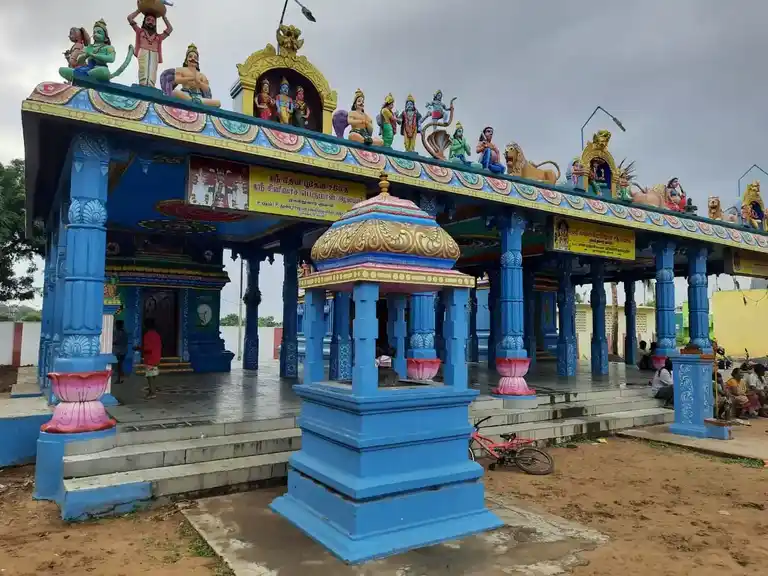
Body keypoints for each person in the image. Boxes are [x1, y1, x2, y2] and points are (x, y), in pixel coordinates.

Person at [127, 8, 173, 87]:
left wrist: (164, 17)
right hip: (143, 51)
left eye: (153, 21)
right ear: (144, 21)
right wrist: (139, 10)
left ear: (155, 24)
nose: (150, 22)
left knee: (152, 71)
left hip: (154, 54)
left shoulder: (158, 37)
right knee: (143, 69)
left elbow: (170, 29)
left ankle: (151, 86)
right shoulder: (140, 31)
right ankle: (143, 85)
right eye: (148, 20)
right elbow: (129, 18)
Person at [138, 319, 162, 399]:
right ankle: (152, 390)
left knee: (149, 376)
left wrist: (139, 348)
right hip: (156, 357)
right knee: (153, 374)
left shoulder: (148, 335)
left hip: (150, 358)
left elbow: (147, 348)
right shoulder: (157, 334)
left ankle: (152, 392)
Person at [112, 320, 128, 384]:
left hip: (119, 351)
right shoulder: (124, 332)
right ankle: (121, 377)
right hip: (123, 351)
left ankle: (119, 379)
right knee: (120, 365)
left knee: (118, 366)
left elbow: (116, 341)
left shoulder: (118, 332)